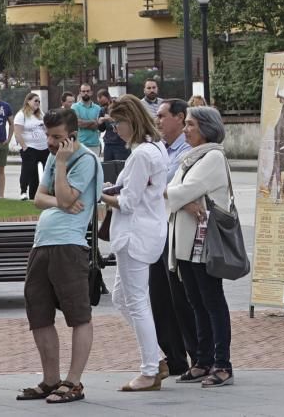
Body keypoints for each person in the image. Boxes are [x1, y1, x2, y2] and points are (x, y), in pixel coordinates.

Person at [17, 108, 103, 403]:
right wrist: (59, 201)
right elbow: (38, 199)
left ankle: (74, 382)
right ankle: (50, 379)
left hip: (69, 245)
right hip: (42, 244)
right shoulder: (54, 156)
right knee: (38, 314)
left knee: (78, 315)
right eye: (48, 136)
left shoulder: (85, 160)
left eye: (56, 137)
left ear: (73, 137)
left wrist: (63, 166)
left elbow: (69, 198)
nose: (50, 143)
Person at [166, 105, 239, 388]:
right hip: (185, 242)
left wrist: (180, 198)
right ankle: (203, 360)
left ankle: (222, 364)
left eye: (191, 125)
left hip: (205, 242)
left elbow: (178, 190)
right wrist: (182, 200)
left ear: (206, 128)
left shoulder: (212, 157)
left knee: (212, 302)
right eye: (185, 124)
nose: (185, 129)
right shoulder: (190, 157)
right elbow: (170, 190)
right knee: (196, 302)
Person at [101, 95, 169, 391]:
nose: (116, 129)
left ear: (132, 120)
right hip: (144, 231)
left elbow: (128, 202)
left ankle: (150, 369)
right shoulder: (154, 148)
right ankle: (157, 358)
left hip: (135, 234)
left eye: (118, 122)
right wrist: (113, 190)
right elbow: (133, 190)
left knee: (137, 302)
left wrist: (98, 195)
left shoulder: (142, 154)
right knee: (123, 299)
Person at [151, 98, 199, 377]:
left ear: (180, 118)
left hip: (178, 231)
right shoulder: (159, 150)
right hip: (158, 229)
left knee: (182, 297)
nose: (158, 121)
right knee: (160, 298)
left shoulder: (186, 153)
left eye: (162, 116)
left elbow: (168, 187)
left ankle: (198, 356)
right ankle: (174, 357)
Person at [14, 92, 49, 201]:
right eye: (35, 101)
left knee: (45, 170)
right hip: (30, 147)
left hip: (43, 147)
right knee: (28, 170)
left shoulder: (41, 114)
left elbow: (46, 129)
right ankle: (23, 191)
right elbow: (17, 133)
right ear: (28, 101)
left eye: (39, 101)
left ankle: (36, 195)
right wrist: (24, 146)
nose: (37, 103)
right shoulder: (21, 114)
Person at [97, 89, 130, 161]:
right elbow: (102, 129)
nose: (104, 107)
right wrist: (99, 123)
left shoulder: (119, 106)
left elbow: (126, 123)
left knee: (120, 167)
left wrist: (112, 120)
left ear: (109, 98)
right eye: (101, 105)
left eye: (105, 104)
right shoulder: (102, 110)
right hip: (108, 144)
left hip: (121, 143)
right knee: (108, 168)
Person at [73, 84, 102, 157]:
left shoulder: (98, 108)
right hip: (80, 144)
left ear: (91, 92)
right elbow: (78, 123)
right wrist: (93, 121)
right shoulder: (75, 107)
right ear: (80, 93)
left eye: (87, 91)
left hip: (95, 144)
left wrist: (83, 123)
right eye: (83, 91)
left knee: (94, 167)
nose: (85, 93)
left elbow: (97, 126)